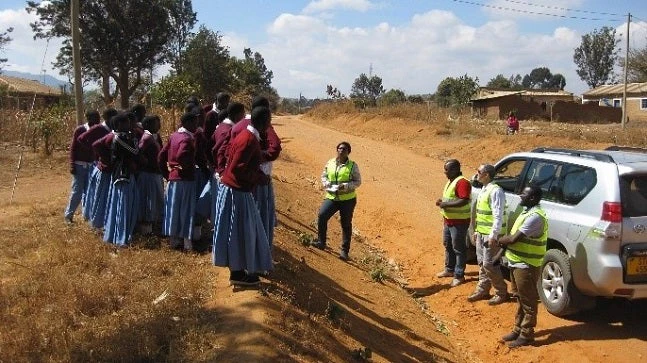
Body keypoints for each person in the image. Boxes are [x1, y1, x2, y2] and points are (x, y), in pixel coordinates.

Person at [212, 106, 273, 286]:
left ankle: (239, 270)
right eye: (269, 121)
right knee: (238, 233)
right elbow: (238, 169)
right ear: (263, 122)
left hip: (238, 190)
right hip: (237, 192)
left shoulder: (247, 136)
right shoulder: (248, 140)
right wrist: (259, 178)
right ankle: (238, 273)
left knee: (239, 232)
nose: (270, 124)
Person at [497, 185, 547, 348]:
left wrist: (499, 240)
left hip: (527, 265)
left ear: (532, 198)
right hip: (517, 261)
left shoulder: (535, 217)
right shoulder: (527, 212)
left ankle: (527, 335)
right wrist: (500, 253)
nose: (520, 196)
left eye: (523, 194)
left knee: (528, 301)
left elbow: (513, 239)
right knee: (519, 297)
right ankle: (518, 329)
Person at [230, 96, 282, 249]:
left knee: (243, 218)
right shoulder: (261, 128)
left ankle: (244, 250)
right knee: (261, 216)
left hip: (240, 182)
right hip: (258, 178)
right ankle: (261, 252)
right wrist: (261, 157)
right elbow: (275, 147)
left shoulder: (237, 126)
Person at [311, 141, 361, 261]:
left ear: (348, 152)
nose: (341, 150)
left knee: (346, 224)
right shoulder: (330, 163)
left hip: (347, 200)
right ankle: (321, 242)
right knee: (322, 215)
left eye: (344, 149)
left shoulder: (353, 166)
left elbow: (357, 182)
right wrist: (326, 184)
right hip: (332, 197)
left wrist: (345, 186)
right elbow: (324, 176)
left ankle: (344, 251)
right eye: (339, 148)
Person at [467, 164, 509, 305]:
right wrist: (477, 231)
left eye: (479, 172)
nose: (476, 174)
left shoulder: (496, 191)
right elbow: (482, 215)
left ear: (486, 175)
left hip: (491, 236)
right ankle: (483, 289)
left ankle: (501, 292)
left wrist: (493, 236)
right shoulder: (484, 189)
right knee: (481, 263)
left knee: (489, 264)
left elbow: (497, 216)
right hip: (481, 234)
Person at [97, 112, 140, 246]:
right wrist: (134, 139)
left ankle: (120, 236)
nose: (130, 125)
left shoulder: (124, 136)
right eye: (127, 122)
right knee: (122, 207)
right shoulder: (119, 138)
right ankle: (120, 239)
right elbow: (135, 151)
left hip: (126, 175)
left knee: (124, 205)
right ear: (119, 124)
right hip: (122, 175)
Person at [159, 112, 199, 251]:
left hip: (173, 179)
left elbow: (161, 155)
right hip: (185, 179)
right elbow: (181, 154)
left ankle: (173, 240)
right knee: (186, 210)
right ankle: (187, 243)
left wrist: (167, 173)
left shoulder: (174, 136)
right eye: (194, 122)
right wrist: (185, 165)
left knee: (173, 209)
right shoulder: (187, 139)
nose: (196, 125)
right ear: (187, 123)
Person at [435, 159, 471, 287]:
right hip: (449, 220)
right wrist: (443, 202)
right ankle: (449, 269)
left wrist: (445, 204)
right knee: (448, 245)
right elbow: (451, 198)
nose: (445, 172)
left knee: (459, 248)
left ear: (455, 170)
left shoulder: (462, 182)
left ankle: (459, 275)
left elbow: (463, 200)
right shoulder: (451, 181)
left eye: (447, 169)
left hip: (459, 222)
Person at [79, 108, 117, 224]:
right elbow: (81, 139)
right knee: (97, 193)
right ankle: (93, 218)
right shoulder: (99, 128)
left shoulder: (112, 129)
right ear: (108, 118)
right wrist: (94, 152)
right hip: (99, 164)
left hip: (107, 164)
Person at [64, 110, 100, 224]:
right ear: (89, 118)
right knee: (77, 192)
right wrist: (72, 164)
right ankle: (68, 216)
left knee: (89, 192)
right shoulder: (80, 130)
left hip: (92, 165)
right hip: (79, 165)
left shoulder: (97, 130)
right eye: (95, 118)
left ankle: (86, 215)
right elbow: (73, 147)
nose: (98, 120)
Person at [137, 115, 164, 235]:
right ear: (147, 125)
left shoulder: (156, 136)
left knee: (156, 200)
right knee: (148, 200)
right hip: (148, 174)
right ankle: (146, 230)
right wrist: (147, 162)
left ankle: (154, 226)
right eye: (156, 123)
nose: (159, 126)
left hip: (156, 173)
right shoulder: (146, 137)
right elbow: (139, 152)